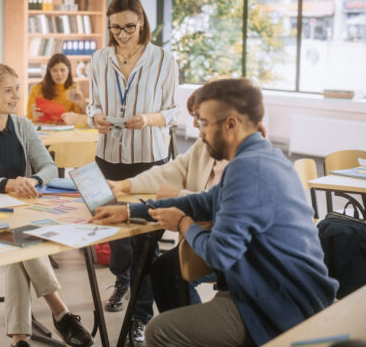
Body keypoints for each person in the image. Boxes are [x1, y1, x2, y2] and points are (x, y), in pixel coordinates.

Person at [92, 78, 338, 346]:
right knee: (168, 272)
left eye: (205, 123)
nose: (200, 132)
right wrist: (130, 211)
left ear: (231, 124)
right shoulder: (263, 157)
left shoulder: (248, 170)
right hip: (268, 287)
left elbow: (220, 253)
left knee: (159, 331)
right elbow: (202, 202)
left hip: (279, 304)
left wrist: (184, 224)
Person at [0, 63, 93, 347]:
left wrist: (30, 180)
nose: (16, 96)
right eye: (8, 90)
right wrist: (8, 184)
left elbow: (48, 167)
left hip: (20, 212)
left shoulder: (23, 125)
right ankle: (60, 311)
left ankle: (20, 338)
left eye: (17, 89)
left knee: (17, 246)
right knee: (22, 241)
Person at [86, 0, 179, 346]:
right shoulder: (99, 58)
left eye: (129, 26)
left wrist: (149, 119)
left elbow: (173, 111)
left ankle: (141, 316)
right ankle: (122, 280)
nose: (122, 34)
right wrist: (94, 116)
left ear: (141, 22)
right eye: (114, 27)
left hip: (148, 161)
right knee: (115, 236)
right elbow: (92, 102)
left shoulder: (163, 59)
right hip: (108, 155)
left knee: (144, 242)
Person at [108, 92, 227, 311]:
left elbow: (215, 206)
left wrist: (176, 198)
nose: (193, 124)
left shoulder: (243, 160)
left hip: (231, 247)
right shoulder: (205, 146)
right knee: (163, 269)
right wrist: (126, 185)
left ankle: (183, 331)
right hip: (203, 238)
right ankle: (177, 329)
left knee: (169, 270)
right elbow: (171, 170)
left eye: (199, 118)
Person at [27, 53, 87, 126]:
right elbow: (29, 118)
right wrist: (34, 118)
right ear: (49, 72)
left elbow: (79, 117)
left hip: (63, 129)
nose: (59, 74)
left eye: (62, 70)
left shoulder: (73, 87)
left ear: (69, 70)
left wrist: (81, 104)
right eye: (55, 70)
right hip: (43, 129)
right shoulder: (36, 89)